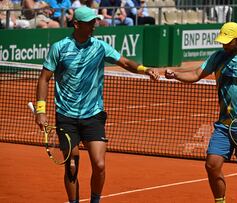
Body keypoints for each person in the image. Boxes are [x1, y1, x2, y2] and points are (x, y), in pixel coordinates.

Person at [34, 6, 159, 203]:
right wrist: (40, 111)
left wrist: (146, 69)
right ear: (77, 24)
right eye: (90, 22)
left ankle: (95, 201)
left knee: (99, 165)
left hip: (93, 114)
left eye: (95, 21)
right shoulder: (59, 48)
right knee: (72, 165)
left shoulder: (100, 46)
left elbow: (125, 63)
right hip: (66, 115)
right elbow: (44, 79)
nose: (95, 25)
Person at [164, 22, 237, 203]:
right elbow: (196, 74)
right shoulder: (218, 57)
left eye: (228, 41)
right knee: (211, 165)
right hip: (223, 125)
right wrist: (176, 74)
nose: (224, 45)